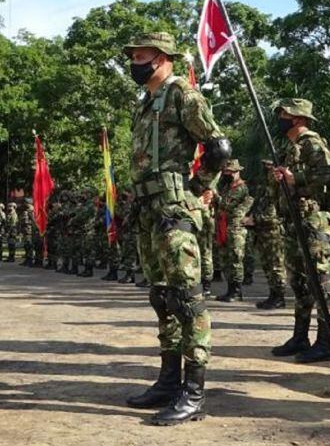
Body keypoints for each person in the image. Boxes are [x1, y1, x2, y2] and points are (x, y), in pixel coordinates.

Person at [122, 31, 230, 425]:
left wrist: (197, 191)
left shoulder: (182, 93)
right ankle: (168, 381)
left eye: (142, 54)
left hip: (173, 207)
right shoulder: (147, 101)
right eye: (132, 55)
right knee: (162, 296)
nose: (135, 61)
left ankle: (194, 392)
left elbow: (218, 147)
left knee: (187, 298)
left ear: (163, 57)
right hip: (149, 208)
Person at [269, 98, 330, 365]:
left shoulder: (312, 143)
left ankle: (326, 341)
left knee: (319, 281)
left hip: (312, 220)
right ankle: (301, 336)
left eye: (284, 113)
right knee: (299, 282)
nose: (279, 117)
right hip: (294, 219)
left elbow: (328, 174)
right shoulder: (292, 147)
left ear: (298, 118)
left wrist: (293, 178)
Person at [248, 161, 287, 310]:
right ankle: (273, 294)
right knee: (267, 266)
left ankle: (279, 297)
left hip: (273, 233)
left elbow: (275, 216)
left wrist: (255, 219)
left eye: (271, 170)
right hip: (263, 233)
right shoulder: (266, 190)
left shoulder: (280, 190)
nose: (269, 173)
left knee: (276, 266)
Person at [215, 159, 253, 302]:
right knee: (225, 259)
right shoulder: (227, 187)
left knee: (235, 259)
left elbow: (227, 205)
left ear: (237, 172)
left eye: (230, 172)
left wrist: (216, 196)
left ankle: (237, 291)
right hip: (224, 226)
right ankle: (230, 289)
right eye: (226, 172)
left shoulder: (241, 188)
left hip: (236, 228)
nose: (227, 174)